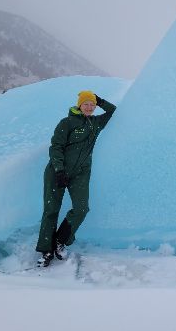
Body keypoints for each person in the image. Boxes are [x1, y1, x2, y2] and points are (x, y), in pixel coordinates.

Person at [35, 90, 117, 267]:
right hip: (57, 172)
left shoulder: (96, 123)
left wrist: (100, 99)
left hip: (80, 173)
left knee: (81, 208)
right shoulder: (67, 123)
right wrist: (59, 170)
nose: (89, 107)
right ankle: (46, 249)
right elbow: (56, 146)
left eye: (92, 105)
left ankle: (60, 240)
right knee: (51, 210)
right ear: (79, 104)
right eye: (86, 103)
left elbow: (112, 110)